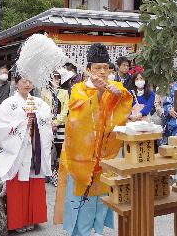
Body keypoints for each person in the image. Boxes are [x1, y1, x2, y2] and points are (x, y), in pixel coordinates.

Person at [54, 43, 132, 236]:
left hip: (104, 154)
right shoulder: (79, 89)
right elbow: (77, 117)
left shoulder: (116, 87)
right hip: (81, 156)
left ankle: (96, 229)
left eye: (106, 67)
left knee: (101, 195)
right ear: (88, 69)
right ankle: (79, 231)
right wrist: (98, 94)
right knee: (80, 195)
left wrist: (119, 95)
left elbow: (126, 103)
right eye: (98, 68)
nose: (103, 71)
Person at [0, 72, 53, 233]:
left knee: (34, 182)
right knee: (18, 184)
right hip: (18, 150)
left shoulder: (40, 103)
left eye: (30, 81)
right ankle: (18, 221)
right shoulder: (8, 103)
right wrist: (23, 122)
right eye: (23, 81)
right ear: (16, 82)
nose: (27, 84)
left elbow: (47, 121)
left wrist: (37, 117)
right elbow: (1, 126)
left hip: (34, 148)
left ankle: (33, 218)